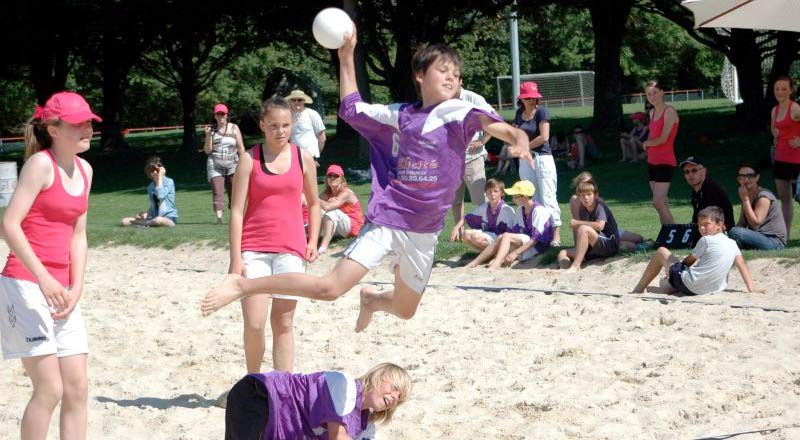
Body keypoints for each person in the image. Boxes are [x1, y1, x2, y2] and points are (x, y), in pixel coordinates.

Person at [201, 26, 530, 332]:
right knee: (329, 288)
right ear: (420, 75)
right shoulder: (398, 115)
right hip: (389, 220)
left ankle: (371, 300)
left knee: (404, 310)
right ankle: (244, 286)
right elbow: (351, 108)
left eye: (456, 74)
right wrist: (346, 57)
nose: (451, 77)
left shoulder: (461, 111)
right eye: (443, 70)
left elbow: (501, 127)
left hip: (426, 232)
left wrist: (519, 139)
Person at [0, 91, 99, 440]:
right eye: (78, 123)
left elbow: (79, 235)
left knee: (78, 388)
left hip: (63, 290)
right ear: (54, 129)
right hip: (25, 284)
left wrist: (77, 287)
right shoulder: (40, 165)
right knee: (50, 389)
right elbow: (9, 224)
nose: (88, 128)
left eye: (89, 121)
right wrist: (44, 279)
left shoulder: (85, 169)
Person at [228, 97, 320, 374]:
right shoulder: (248, 159)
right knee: (254, 323)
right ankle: (253, 382)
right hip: (253, 248)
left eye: (286, 125)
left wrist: (313, 240)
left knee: (283, 323)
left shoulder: (302, 157)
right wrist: (235, 259)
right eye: (274, 126)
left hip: (290, 249)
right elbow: (235, 211)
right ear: (262, 126)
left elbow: (314, 203)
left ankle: (283, 387)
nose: (280, 131)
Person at [224, 362, 411, 440]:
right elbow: (337, 437)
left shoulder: (365, 425)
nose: (395, 397)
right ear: (378, 376)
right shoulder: (345, 385)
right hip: (261, 396)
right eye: (395, 388)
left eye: (399, 398)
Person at [632, 207, 762, 295]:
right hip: (711, 290)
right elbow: (742, 266)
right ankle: (666, 285)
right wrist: (752, 288)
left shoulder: (706, 240)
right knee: (675, 275)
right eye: (700, 225)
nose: (702, 228)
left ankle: (638, 289)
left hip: (692, 286)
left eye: (706, 224)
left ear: (719, 225)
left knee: (661, 251)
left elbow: (688, 261)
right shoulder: (732, 243)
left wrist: (674, 269)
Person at [513, 81, 562, 246]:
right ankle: (539, 233)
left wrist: (524, 146)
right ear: (522, 100)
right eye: (528, 98)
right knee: (531, 196)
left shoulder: (542, 112)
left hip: (542, 157)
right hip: (525, 159)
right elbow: (514, 133)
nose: (532, 101)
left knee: (548, 195)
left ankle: (556, 234)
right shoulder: (519, 113)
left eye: (534, 98)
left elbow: (544, 137)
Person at [464, 180, 553, 271]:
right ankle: (475, 262)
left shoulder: (539, 211)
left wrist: (515, 253)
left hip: (539, 246)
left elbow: (536, 239)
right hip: (526, 241)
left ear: (525, 198)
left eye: (515, 197)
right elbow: (515, 233)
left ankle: (496, 264)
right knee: (502, 237)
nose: (512, 199)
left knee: (506, 236)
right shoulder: (520, 210)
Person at [448, 80, 495, 241]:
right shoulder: (441, 100)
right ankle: (459, 234)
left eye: (454, 78)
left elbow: (492, 119)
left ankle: (487, 230)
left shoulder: (474, 99)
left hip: (472, 157)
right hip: (451, 160)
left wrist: (482, 141)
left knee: (479, 198)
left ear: (460, 81)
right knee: (455, 200)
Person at [569, 172, 646, 252]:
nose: (587, 186)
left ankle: (629, 243)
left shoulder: (598, 200)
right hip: (595, 233)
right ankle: (625, 244)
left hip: (607, 230)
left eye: (590, 183)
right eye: (585, 183)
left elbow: (603, 224)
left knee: (638, 238)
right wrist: (577, 246)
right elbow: (575, 224)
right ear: (578, 186)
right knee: (622, 245)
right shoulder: (574, 201)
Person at [558, 178, 620, 272]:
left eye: (589, 194)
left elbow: (600, 226)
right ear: (579, 197)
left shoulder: (600, 206)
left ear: (596, 195)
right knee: (563, 253)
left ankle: (575, 266)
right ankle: (565, 269)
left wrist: (578, 223)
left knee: (584, 229)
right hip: (594, 247)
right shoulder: (582, 209)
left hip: (609, 245)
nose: (586, 198)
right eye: (582, 195)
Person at [642, 80, 678, 225]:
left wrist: (646, 143)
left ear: (662, 92)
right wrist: (648, 144)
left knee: (657, 202)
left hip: (665, 161)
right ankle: (667, 233)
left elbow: (664, 139)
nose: (652, 96)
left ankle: (672, 233)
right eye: (649, 94)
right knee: (661, 202)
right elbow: (653, 135)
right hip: (652, 161)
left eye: (655, 93)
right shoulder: (652, 112)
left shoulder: (669, 111)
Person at [204, 103, 246, 225]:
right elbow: (207, 150)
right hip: (215, 164)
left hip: (233, 163)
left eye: (223, 113)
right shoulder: (211, 130)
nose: (221, 116)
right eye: (219, 114)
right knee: (218, 190)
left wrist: (243, 163)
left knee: (235, 190)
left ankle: (236, 216)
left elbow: (241, 147)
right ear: (215, 116)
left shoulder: (234, 128)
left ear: (227, 115)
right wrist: (207, 136)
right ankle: (219, 219)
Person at [728, 164, 787, 250]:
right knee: (731, 233)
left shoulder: (764, 196)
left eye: (750, 176)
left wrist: (745, 200)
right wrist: (727, 234)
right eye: (742, 176)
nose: (746, 179)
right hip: (757, 238)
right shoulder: (747, 196)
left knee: (736, 232)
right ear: (738, 179)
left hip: (773, 241)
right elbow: (742, 223)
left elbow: (755, 224)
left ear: (757, 177)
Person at [770, 76, 800, 240]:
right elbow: (774, 131)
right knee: (785, 200)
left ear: (790, 90)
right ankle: (785, 237)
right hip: (781, 159)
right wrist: (775, 134)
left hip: (797, 159)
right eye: (777, 89)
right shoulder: (774, 110)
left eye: (783, 88)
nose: (780, 92)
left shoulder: (795, 108)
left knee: (799, 197)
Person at [450, 178, 515, 251]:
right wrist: (456, 228)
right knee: (466, 234)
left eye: (495, 191)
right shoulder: (485, 206)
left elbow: (513, 233)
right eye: (489, 192)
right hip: (491, 237)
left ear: (502, 193)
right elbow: (466, 217)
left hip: (503, 241)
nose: (492, 194)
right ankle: (489, 254)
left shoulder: (507, 210)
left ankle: (495, 254)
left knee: (476, 236)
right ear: (486, 193)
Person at [680, 157, 735, 242]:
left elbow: (711, 220)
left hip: (720, 232)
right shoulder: (697, 190)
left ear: (703, 171)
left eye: (694, 170)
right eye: (687, 172)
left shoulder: (710, 189)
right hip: (707, 228)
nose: (690, 174)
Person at [318, 164, 364, 254]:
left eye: (336, 176)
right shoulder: (325, 193)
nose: (333, 178)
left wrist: (315, 198)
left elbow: (328, 207)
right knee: (318, 211)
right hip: (338, 227)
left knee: (332, 212)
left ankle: (323, 247)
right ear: (326, 179)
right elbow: (315, 206)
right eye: (330, 175)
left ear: (341, 179)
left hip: (352, 227)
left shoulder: (346, 193)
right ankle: (313, 241)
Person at [121, 156, 178, 227]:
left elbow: (161, 195)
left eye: (157, 169)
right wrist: (145, 215)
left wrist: (160, 177)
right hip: (154, 218)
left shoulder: (169, 182)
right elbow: (154, 206)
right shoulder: (150, 187)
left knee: (158, 220)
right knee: (125, 221)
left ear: (161, 170)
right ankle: (146, 223)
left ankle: (144, 224)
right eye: (152, 170)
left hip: (169, 218)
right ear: (149, 172)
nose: (154, 172)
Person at [286, 89, 326, 162]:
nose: (296, 102)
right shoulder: (287, 115)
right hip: (292, 156)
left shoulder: (312, 114)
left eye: (299, 100)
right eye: (293, 100)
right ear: (290, 101)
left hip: (310, 155)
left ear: (304, 101)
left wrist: (316, 157)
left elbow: (322, 138)